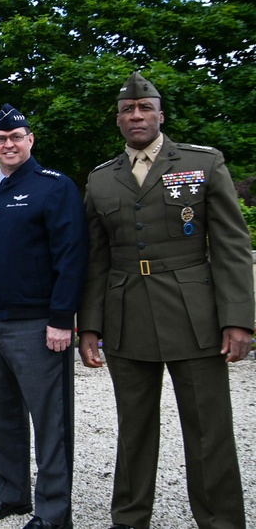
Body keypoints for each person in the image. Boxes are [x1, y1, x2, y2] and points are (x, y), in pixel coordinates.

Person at [78, 72, 254, 529]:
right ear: (117, 121)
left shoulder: (202, 164)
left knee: (208, 430)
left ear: (159, 114)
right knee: (133, 431)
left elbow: (232, 246)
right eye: (127, 111)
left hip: (195, 316)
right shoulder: (101, 180)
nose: (136, 116)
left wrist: (239, 320)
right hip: (125, 317)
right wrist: (90, 327)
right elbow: (96, 260)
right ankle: (130, 519)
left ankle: (221, 521)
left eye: (144, 108)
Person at [0, 104, 88, 529]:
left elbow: (72, 256)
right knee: (3, 416)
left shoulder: (55, 187)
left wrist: (62, 317)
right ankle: (10, 494)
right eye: (0, 139)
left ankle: (53, 511)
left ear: (30, 140)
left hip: (38, 325)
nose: (8, 144)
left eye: (16, 137)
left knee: (51, 421)